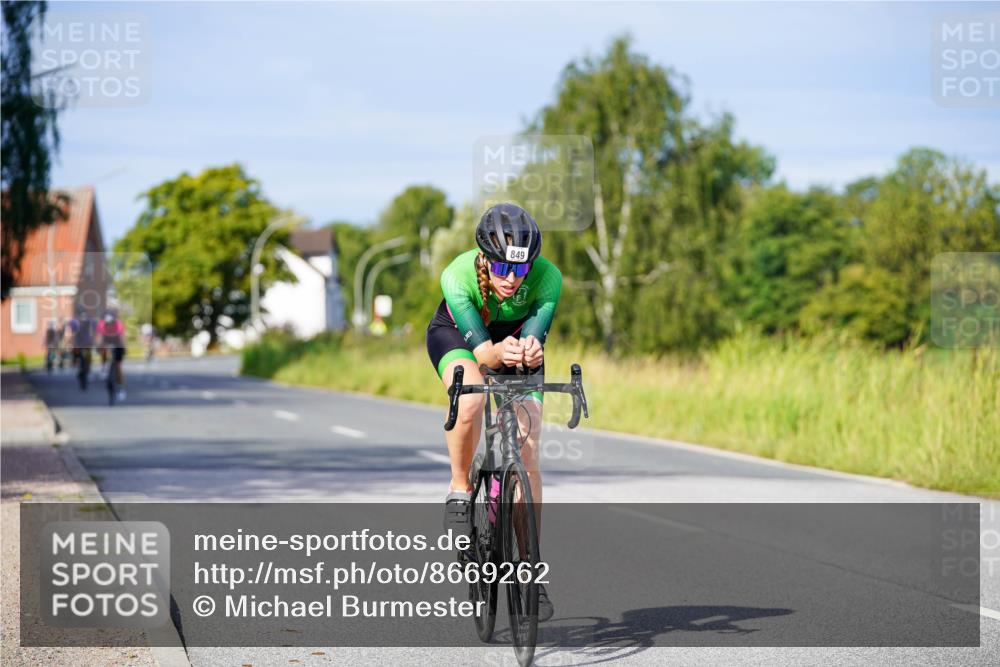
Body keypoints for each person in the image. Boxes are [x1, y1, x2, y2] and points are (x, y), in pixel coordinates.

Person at [426, 202, 561, 621]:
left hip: (515, 339)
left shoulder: (549, 278)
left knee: (530, 443)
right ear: (485, 258)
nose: (509, 279)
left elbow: (532, 341)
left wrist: (532, 347)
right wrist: (497, 353)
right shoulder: (458, 274)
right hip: (462, 337)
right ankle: (460, 486)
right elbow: (485, 354)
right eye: (502, 268)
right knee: (472, 398)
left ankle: (530, 566)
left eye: (519, 271)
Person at [97, 310, 127, 401]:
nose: (109, 325)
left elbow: (122, 337)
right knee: (103, 351)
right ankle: (104, 366)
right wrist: (99, 346)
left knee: (118, 366)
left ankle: (120, 387)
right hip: (106, 341)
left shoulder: (118, 324)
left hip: (116, 343)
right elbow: (100, 337)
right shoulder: (102, 324)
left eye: (111, 323)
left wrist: (123, 348)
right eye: (107, 323)